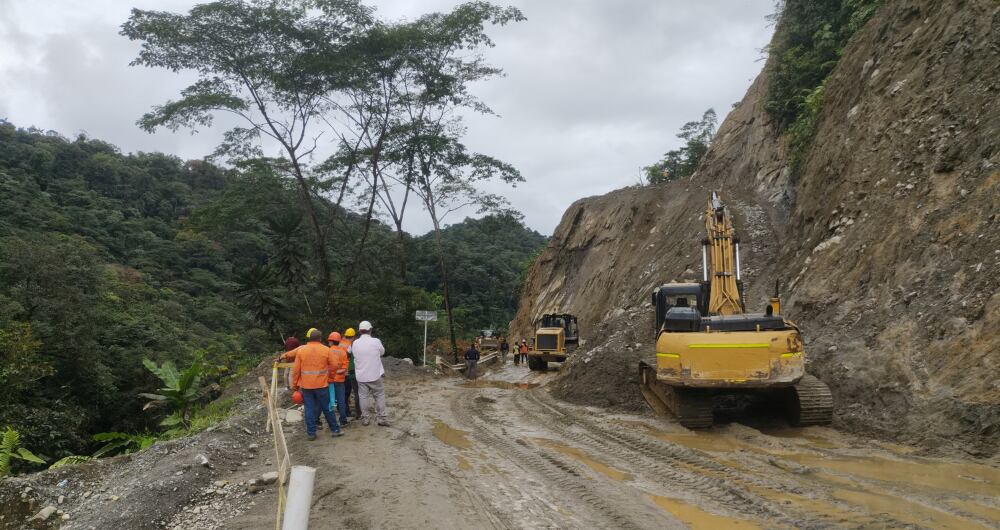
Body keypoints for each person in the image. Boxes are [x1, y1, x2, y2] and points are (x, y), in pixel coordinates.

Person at [292, 328, 344, 440]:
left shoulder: (301, 351)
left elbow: (296, 370)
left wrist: (295, 385)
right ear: (320, 339)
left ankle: (311, 433)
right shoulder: (326, 350)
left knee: (309, 409)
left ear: (309, 338)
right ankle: (335, 430)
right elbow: (334, 365)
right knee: (327, 407)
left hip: (306, 386)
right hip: (322, 385)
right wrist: (330, 377)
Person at [351, 320, 389, 426]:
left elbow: (354, 354)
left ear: (359, 331)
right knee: (379, 395)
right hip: (375, 375)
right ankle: (381, 418)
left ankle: (365, 419)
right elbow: (382, 352)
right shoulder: (376, 341)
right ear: (370, 330)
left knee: (363, 397)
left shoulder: (355, 343)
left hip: (361, 376)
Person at [327, 331, 350, 425]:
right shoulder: (343, 352)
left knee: (330, 401)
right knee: (341, 400)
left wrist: (332, 373)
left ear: (331, 341)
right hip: (340, 380)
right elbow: (345, 368)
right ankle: (343, 420)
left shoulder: (327, 351)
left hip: (330, 380)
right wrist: (338, 372)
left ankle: (331, 421)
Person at [341, 327, 360, 419]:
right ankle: (346, 412)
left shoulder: (340, 343)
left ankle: (343, 409)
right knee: (348, 392)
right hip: (348, 371)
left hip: (339, 371)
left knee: (342, 392)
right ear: (353, 336)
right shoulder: (352, 344)